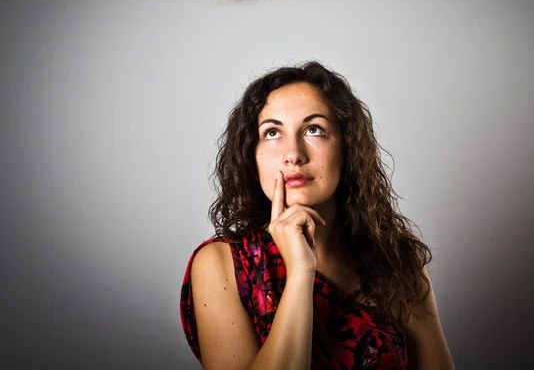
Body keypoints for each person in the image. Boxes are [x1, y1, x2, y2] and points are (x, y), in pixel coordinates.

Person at [180, 61, 454, 369]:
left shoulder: (396, 263)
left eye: (314, 130)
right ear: (251, 156)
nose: (293, 153)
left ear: (347, 149)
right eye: (272, 132)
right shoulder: (221, 264)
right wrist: (300, 273)